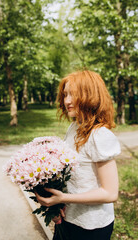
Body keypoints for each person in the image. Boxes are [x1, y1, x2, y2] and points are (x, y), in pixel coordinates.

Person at [35, 70, 121, 240]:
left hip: (91, 226)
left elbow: (110, 193)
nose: (67, 100)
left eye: (73, 94)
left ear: (90, 95)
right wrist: (56, 205)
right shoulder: (74, 128)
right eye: (65, 94)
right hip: (67, 218)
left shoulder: (100, 136)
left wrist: (64, 198)